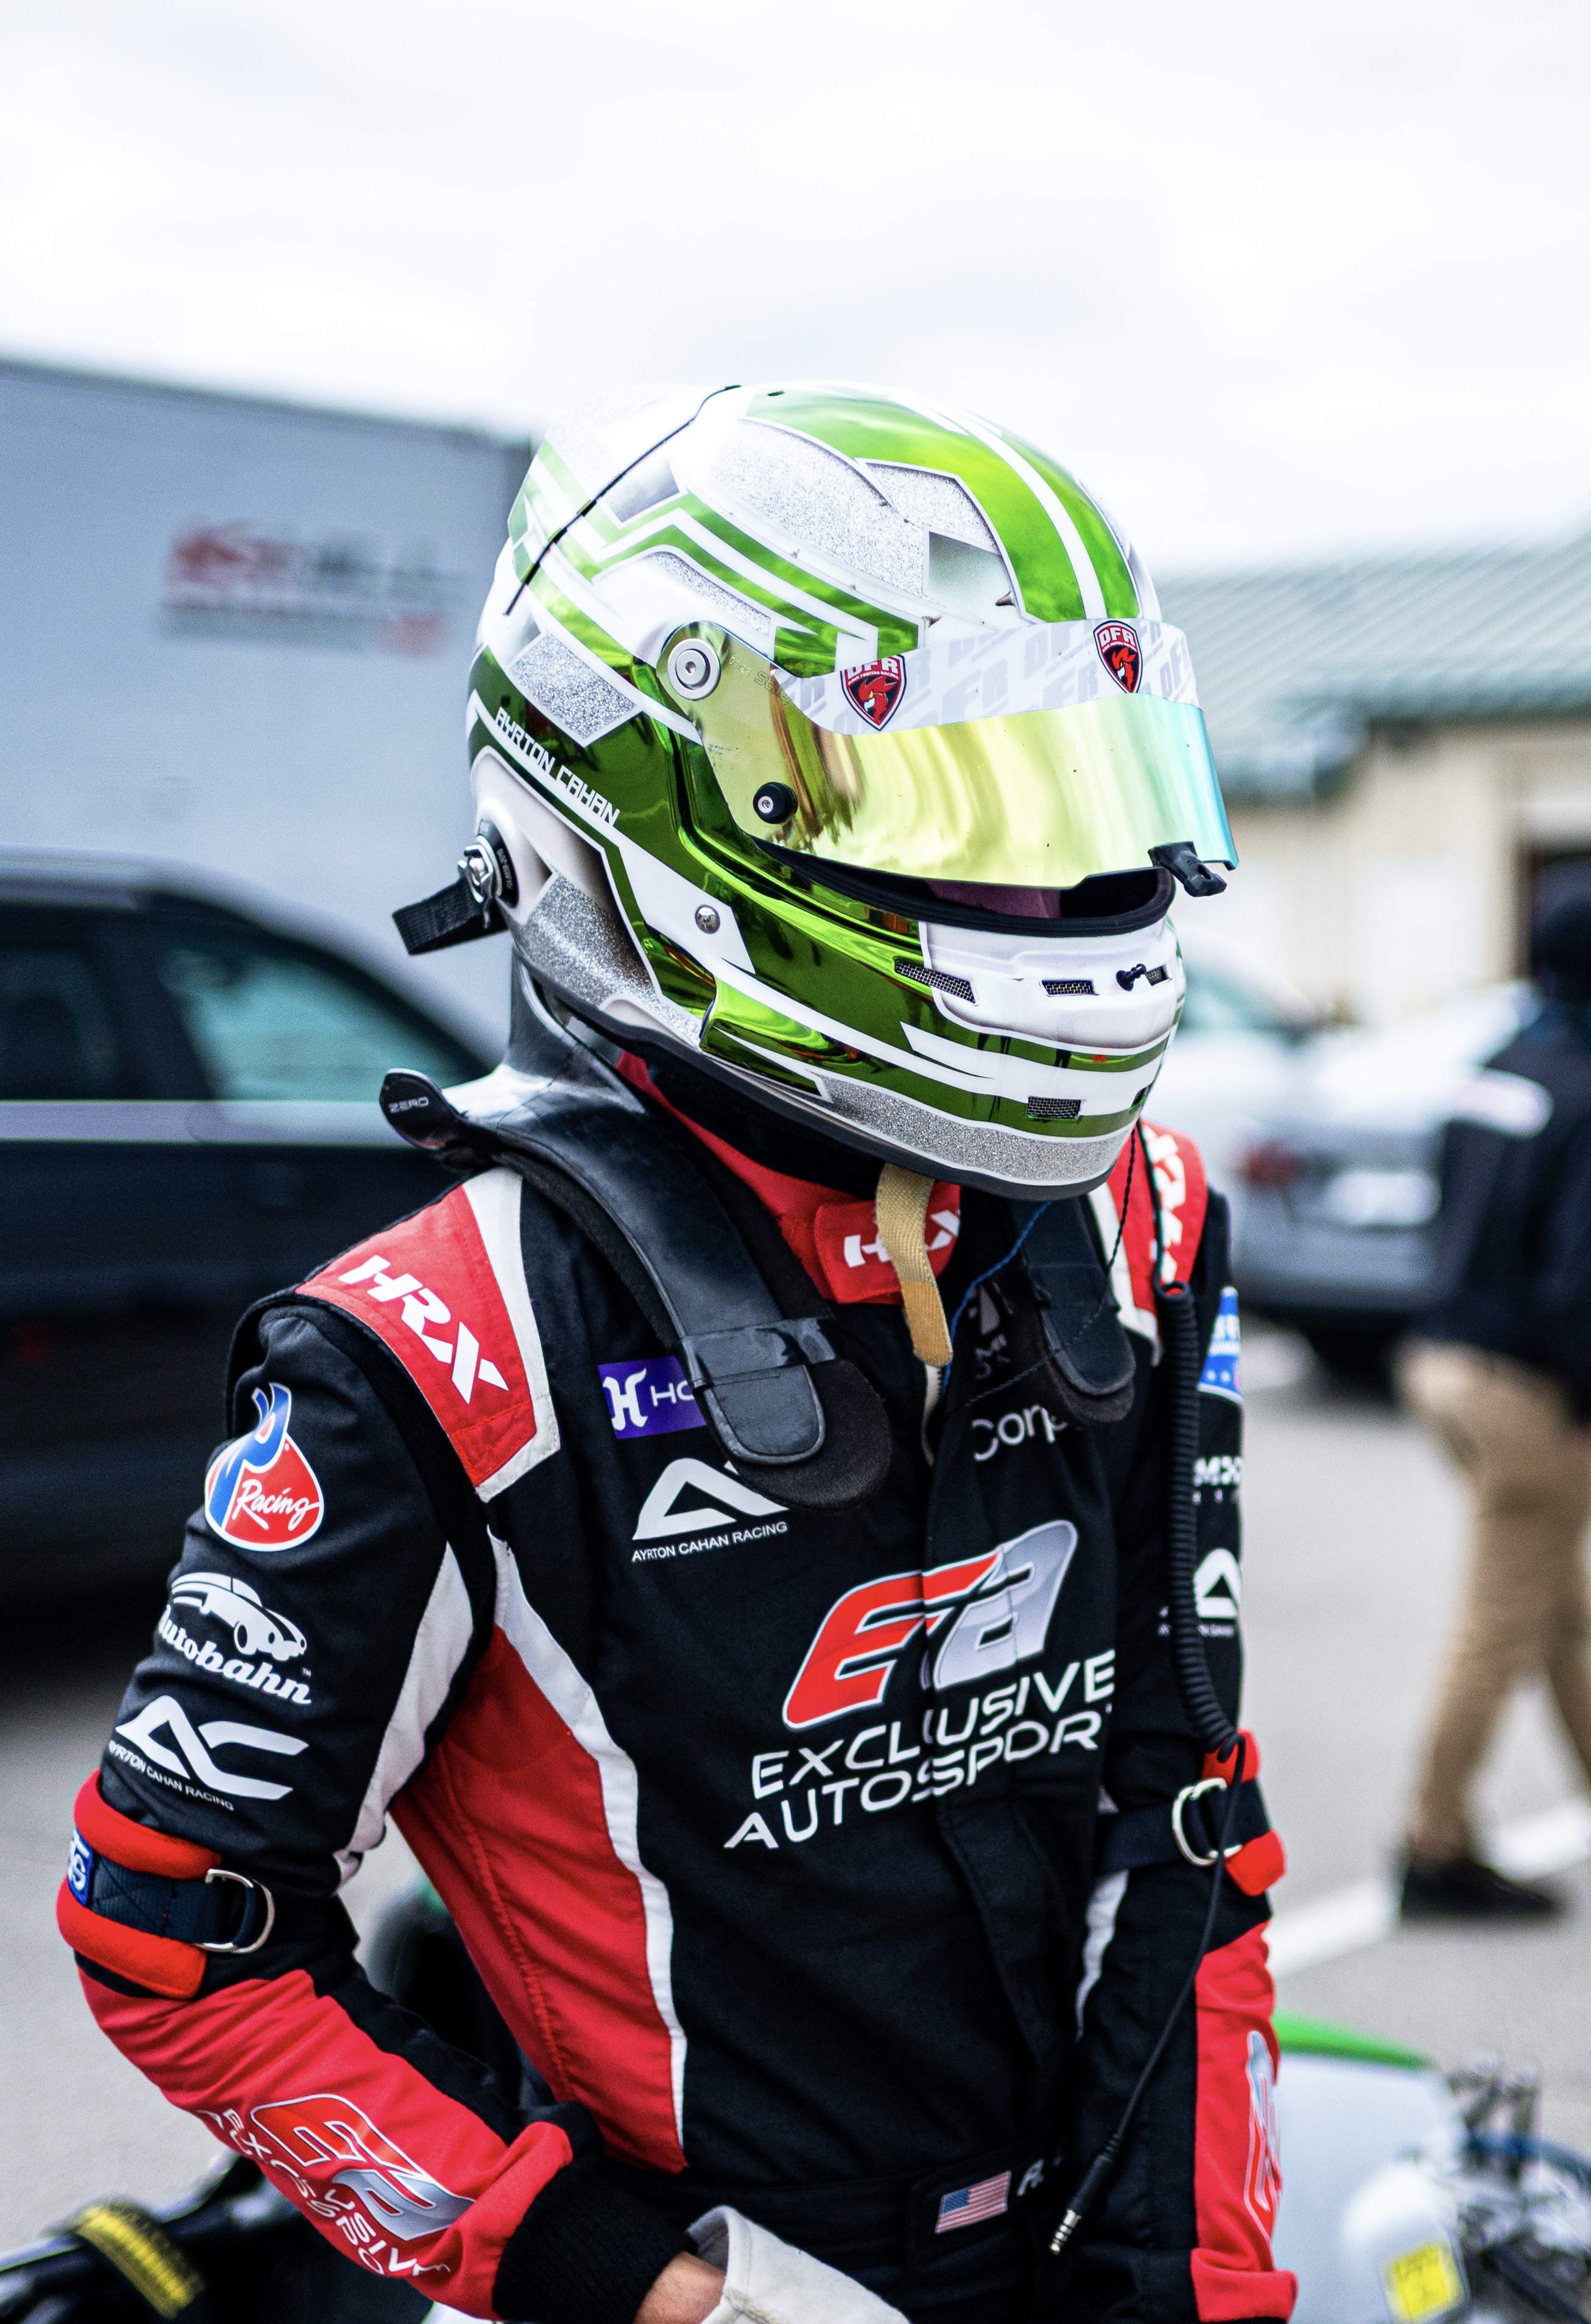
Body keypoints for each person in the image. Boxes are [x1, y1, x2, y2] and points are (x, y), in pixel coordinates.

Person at [58, 384, 1291, 2324]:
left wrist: (1189, 2280)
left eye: (1081, 799)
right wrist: (643, 2293)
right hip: (690, 2279)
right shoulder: (431, 1346)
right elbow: (174, 1931)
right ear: (651, 816)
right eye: (958, 807)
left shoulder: (1138, 1224)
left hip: (1070, 2233)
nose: (1067, 899)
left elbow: (1187, 1800)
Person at [1399, 890, 1591, 1921]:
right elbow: (1578, 1276)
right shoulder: (1586, 1083)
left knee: (1559, 1612)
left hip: (1441, 1362)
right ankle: (1433, 1849)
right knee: (1499, 1625)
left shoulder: (1500, 1065)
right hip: (1529, 1391)